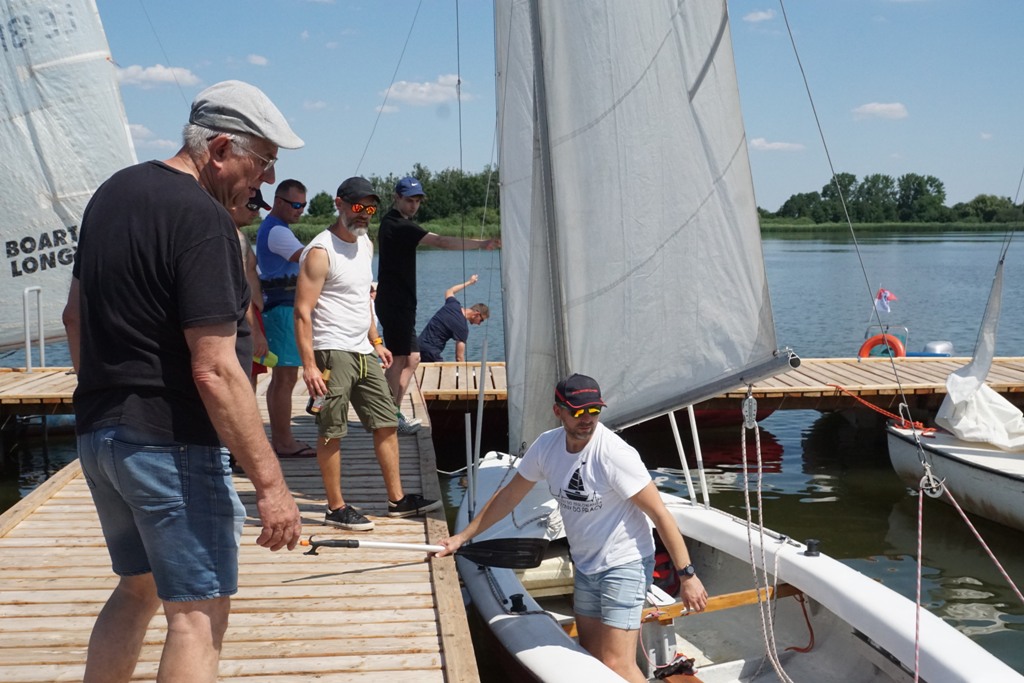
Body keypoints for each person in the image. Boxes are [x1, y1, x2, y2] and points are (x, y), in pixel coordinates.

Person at [61, 80, 303, 683]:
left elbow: (73, 317)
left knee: (136, 591)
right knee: (198, 614)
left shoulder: (111, 196)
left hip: (100, 435)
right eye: (262, 162)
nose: (266, 182)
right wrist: (271, 486)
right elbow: (215, 367)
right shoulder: (203, 220)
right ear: (220, 148)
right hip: (169, 443)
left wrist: (107, 394)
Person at [436, 374, 708, 682]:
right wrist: (462, 537)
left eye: (594, 410)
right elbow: (509, 496)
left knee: (617, 663)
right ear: (558, 411)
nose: (587, 419)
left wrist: (687, 576)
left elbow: (660, 514)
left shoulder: (614, 454)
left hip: (626, 563)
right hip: (586, 564)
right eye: (578, 411)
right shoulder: (546, 447)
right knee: (590, 659)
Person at [294, 176, 442, 532]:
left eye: (371, 209)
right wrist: (310, 366)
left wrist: (377, 341)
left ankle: (398, 501)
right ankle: (336, 507)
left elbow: (363, 298)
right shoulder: (320, 251)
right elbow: (302, 311)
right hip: (331, 352)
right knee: (332, 429)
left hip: (363, 350)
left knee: (387, 421)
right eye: (359, 207)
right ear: (339, 203)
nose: (365, 215)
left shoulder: (365, 245)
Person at [375, 176, 500, 433]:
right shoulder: (396, 224)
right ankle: (385, 416)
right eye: (409, 200)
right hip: (394, 303)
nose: (413, 206)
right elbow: (441, 241)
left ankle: (392, 413)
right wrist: (482, 244)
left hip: (403, 303)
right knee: (400, 360)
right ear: (396, 198)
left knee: (412, 358)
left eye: (417, 201)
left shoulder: (401, 224)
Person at [256, 178, 314, 457]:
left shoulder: (276, 228)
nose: (300, 210)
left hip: (278, 309)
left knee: (281, 379)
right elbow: (309, 259)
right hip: (282, 311)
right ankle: (284, 442)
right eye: (295, 204)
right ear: (278, 201)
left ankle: (280, 439)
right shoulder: (278, 232)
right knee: (286, 379)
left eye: (303, 205)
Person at [232, 189, 271, 390]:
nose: (256, 213)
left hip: (252, 315)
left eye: (259, 208)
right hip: (247, 319)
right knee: (246, 381)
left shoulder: (240, 234)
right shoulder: (234, 238)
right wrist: (255, 331)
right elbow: (241, 288)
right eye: (252, 206)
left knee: (250, 378)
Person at [417, 274, 490, 362]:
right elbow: (459, 357)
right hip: (430, 353)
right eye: (481, 320)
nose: (479, 324)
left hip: (417, 346)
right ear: (477, 314)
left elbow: (449, 291)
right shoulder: (462, 328)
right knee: (443, 374)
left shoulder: (453, 304)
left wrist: (469, 282)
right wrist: (463, 373)